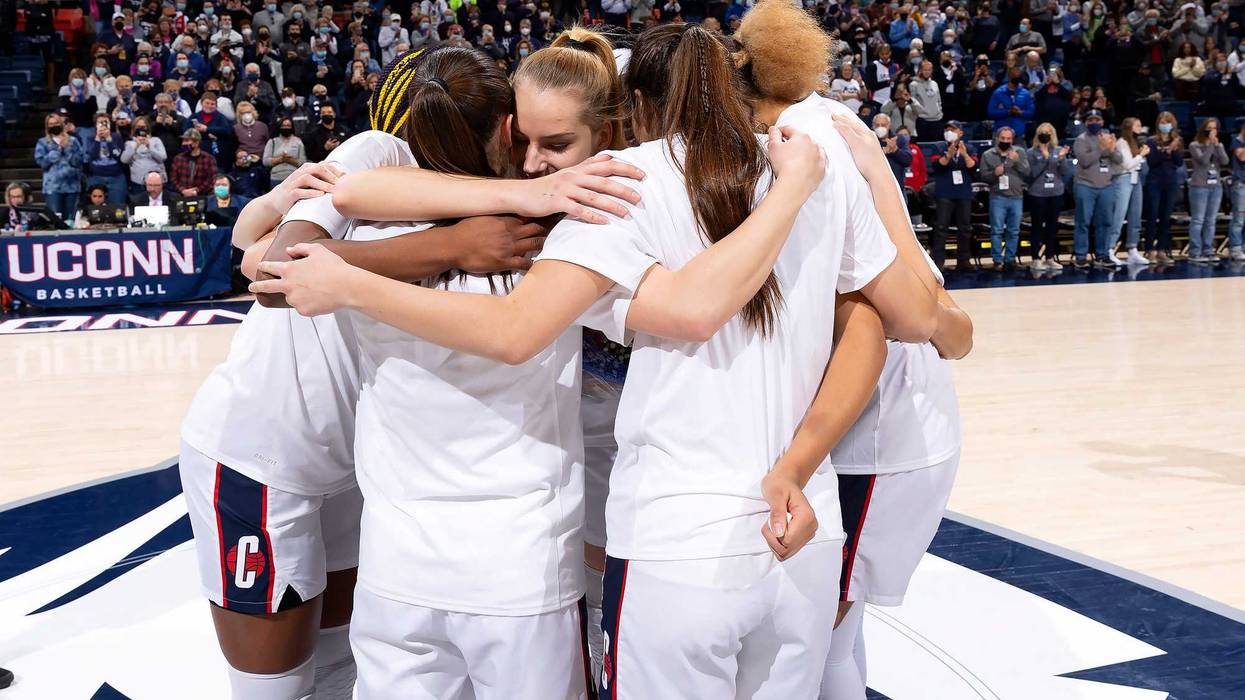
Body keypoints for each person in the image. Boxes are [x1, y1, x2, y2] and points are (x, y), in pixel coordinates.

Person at [258, 23, 940, 699]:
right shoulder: (803, 159)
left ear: (621, 116)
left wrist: (353, 277)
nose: (533, 162)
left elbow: (524, 325)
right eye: (524, 141)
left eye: (552, 146)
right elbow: (886, 320)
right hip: (780, 517)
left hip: (667, 531)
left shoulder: (613, 191)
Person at [1071, 110, 1121, 268]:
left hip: (1106, 185)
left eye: (1097, 120)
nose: (1094, 122)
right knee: (1083, 222)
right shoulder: (1081, 140)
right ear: (1086, 123)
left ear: (1102, 122)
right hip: (1086, 185)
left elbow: (1119, 159)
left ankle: (1102, 255)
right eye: (1091, 120)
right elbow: (1085, 160)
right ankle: (1080, 256)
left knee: (1105, 222)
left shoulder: (1108, 137)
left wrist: (1112, 148)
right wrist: (1101, 148)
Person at [980, 126, 1030, 270]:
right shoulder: (988, 155)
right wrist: (994, 173)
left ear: (1012, 140)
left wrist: (1018, 162)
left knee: (1014, 230)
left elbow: (1027, 172)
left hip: (1016, 197)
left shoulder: (1019, 152)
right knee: (997, 230)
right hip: (997, 197)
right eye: (1003, 138)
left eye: (1008, 139)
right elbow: (983, 176)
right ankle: (997, 260)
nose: (1005, 141)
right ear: (997, 138)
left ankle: (1010, 259)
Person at [930, 120, 977, 270]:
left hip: (963, 193)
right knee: (941, 227)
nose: (949, 131)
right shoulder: (938, 146)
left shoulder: (969, 147)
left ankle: (963, 260)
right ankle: (939, 260)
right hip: (945, 192)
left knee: (965, 227)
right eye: (947, 129)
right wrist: (949, 155)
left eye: (953, 129)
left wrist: (963, 154)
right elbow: (937, 166)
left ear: (961, 133)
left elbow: (973, 168)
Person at [1026, 122, 1071, 270]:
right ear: (1038, 135)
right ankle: (1035, 258)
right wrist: (1048, 158)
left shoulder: (1059, 150)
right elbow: (1031, 174)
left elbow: (1064, 172)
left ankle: (1050, 257)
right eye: (1042, 132)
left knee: (1052, 227)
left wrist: (1062, 159)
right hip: (1038, 193)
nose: (1045, 135)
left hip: (1056, 193)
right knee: (1037, 226)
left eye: (1048, 132)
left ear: (1053, 135)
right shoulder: (1031, 152)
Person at [1142, 111, 1183, 264]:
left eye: (1167, 122)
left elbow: (1178, 162)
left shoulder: (1177, 141)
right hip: (1155, 182)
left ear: (1172, 124)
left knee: (1166, 218)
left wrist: (1174, 149)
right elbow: (1152, 162)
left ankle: (1161, 249)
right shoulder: (1151, 141)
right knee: (1153, 216)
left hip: (1171, 182)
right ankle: (1149, 249)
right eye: (1162, 122)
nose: (1164, 125)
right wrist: (1166, 150)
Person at [1187, 118, 1229, 263]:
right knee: (1198, 220)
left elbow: (1224, 162)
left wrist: (1218, 146)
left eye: (1215, 128)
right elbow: (1204, 161)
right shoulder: (1195, 145)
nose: (1212, 131)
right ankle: (1194, 252)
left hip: (1215, 186)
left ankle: (1208, 250)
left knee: (1211, 221)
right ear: (1204, 129)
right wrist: (1211, 145)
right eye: (1210, 128)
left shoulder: (1218, 145)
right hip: (1199, 186)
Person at [1112, 117, 1151, 266]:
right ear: (1129, 127)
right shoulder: (1121, 143)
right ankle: (1110, 248)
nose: (1140, 128)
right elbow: (1128, 164)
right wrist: (1141, 155)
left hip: (1136, 178)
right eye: (1138, 125)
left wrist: (1141, 155)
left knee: (1136, 215)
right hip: (1123, 178)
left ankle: (1133, 249)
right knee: (1119, 215)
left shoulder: (1136, 143)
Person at [34, 112, 85, 225]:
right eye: (51, 124)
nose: (54, 126)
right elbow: (42, 162)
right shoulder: (42, 142)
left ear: (61, 124)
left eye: (56, 123)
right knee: (55, 219)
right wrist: (57, 149)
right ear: (47, 126)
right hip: (52, 188)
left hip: (72, 186)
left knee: (70, 220)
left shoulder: (73, 141)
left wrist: (67, 148)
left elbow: (79, 161)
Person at [85, 114, 130, 206]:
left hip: (116, 177)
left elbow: (119, 156)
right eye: (100, 123)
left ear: (110, 124)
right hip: (96, 177)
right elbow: (91, 156)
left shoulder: (116, 137)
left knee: (117, 206)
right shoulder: (90, 138)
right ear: (96, 125)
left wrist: (110, 141)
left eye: (105, 122)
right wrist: (97, 140)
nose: (103, 125)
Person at [987, 67, 1035, 140]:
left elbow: (1031, 112)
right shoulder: (998, 92)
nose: (1017, 78)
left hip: (1018, 134)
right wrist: (1008, 112)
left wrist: (1020, 112)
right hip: (1001, 134)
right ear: (1010, 76)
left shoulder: (1025, 93)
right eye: (1015, 76)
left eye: (1018, 76)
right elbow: (991, 112)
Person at [170, 128, 217, 197]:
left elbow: (211, 180)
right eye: (183, 140)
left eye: (186, 140)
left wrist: (196, 191)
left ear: (196, 143)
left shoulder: (209, 159)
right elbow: (173, 179)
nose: (183, 143)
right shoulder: (178, 158)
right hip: (181, 196)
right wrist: (183, 191)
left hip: (202, 196)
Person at [264, 117, 307, 185]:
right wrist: (281, 159)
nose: (286, 128)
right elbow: (265, 161)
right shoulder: (272, 141)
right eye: (283, 126)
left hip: (294, 177)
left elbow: (303, 162)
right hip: (276, 178)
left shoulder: (298, 141)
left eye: (288, 125)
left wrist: (290, 160)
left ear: (292, 127)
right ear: (279, 127)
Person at [873, 113, 912, 189]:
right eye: (877, 125)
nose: (880, 127)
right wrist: (881, 154)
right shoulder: (869, 140)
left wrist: (895, 150)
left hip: (897, 187)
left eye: (883, 125)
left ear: (889, 126)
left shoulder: (899, 139)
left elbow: (908, 160)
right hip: (876, 188)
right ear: (873, 126)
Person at [910, 60, 944, 140]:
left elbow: (939, 100)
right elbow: (912, 103)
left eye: (929, 70)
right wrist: (921, 114)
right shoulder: (914, 84)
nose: (927, 72)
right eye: (925, 69)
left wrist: (939, 112)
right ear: (920, 70)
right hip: (923, 121)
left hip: (937, 119)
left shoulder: (934, 83)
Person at [1227, 122, 1245, 261]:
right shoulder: (1237, 141)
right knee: (1238, 219)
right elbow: (1242, 157)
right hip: (1240, 184)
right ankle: (1235, 248)